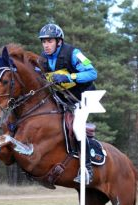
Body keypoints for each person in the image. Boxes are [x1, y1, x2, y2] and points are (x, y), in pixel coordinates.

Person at [38, 23, 97, 184]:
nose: (46, 45)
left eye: (49, 41)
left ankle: (87, 169)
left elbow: (92, 73)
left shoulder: (73, 53)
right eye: (43, 42)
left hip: (83, 97)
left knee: (77, 127)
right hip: (63, 98)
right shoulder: (42, 59)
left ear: (59, 41)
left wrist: (70, 77)